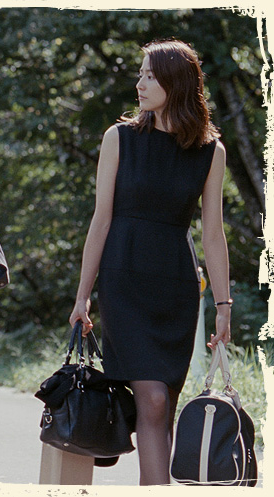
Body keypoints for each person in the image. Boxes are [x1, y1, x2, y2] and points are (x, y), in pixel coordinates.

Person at [69, 39, 231, 485]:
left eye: (149, 76)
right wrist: (82, 295)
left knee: (163, 406)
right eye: (140, 75)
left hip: (176, 285)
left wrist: (223, 305)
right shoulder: (119, 138)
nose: (139, 84)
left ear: (176, 83)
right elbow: (101, 220)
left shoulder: (210, 151)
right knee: (153, 400)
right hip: (123, 281)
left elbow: (213, 234)